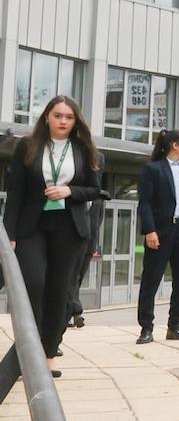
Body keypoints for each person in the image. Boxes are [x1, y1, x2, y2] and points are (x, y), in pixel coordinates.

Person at [3, 95, 102, 377]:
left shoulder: (83, 148)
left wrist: (70, 191)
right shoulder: (27, 146)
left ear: (75, 121)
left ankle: (48, 353)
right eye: (57, 115)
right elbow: (16, 192)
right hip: (31, 227)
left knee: (59, 293)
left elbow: (96, 190)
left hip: (69, 228)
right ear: (47, 116)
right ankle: (28, 351)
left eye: (69, 117)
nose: (62, 121)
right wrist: (9, 234)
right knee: (34, 284)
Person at [135, 130, 179, 344]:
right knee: (151, 280)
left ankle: (175, 326)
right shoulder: (153, 169)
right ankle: (146, 328)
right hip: (161, 231)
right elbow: (144, 203)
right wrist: (149, 230)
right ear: (174, 145)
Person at [67, 163, 110, 331]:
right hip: (73, 241)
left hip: (89, 244)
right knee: (71, 277)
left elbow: (98, 222)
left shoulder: (99, 198)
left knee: (77, 278)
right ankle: (75, 312)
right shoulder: (74, 193)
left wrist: (95, 245)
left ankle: (69, 312)